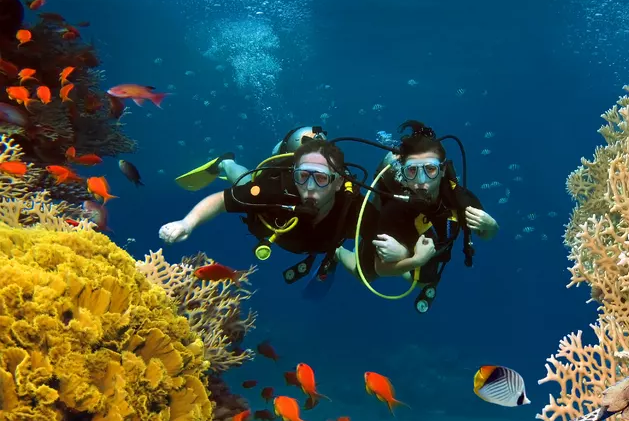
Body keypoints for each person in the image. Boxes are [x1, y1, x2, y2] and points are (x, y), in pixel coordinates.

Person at [160, 136, 365, 298]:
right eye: (303, 176)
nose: (310, 187)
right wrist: (187, 223)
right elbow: (221, 200)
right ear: (294, 174)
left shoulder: (353, 206)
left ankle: (335, 253)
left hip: (324, 242)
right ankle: (226, 163)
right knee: (245, 182)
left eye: (321, 178)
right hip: (265, 219)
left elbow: (385, 242)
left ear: (338, 182)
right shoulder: (277, 190)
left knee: (337, 248)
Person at [336, 120, 499, 312]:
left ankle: (408, 260)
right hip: (403, 241)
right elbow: (381, 269)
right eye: (412, 171)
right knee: (365, 274)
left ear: (443, 169)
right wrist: (415, 260)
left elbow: (486, 234)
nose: (422, 182)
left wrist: (492, 226)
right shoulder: (394, 208)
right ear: (403, 173)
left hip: (427, 248)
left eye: (430, 169)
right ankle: (336, 251)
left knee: (423, 282)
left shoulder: (460, 199)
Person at [174, 126, 330, 192]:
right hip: (277, 171)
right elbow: (221, 201)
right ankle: (226, 163)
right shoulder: (278, 176)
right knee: (249, 185)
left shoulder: (338, 179)